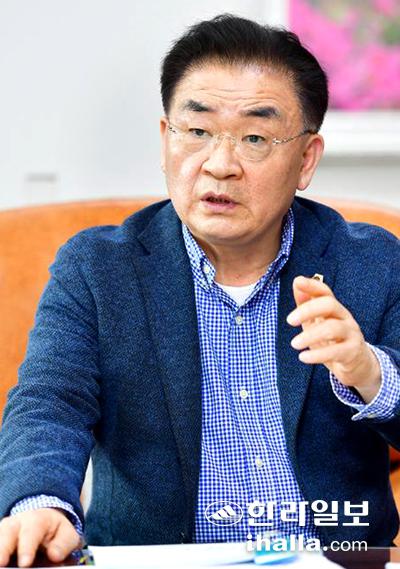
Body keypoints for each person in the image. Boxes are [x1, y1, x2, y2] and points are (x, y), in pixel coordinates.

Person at [0, 13, 399, 568]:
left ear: (306, 159)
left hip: (337, 558)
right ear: (166, 138)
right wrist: (39, 503)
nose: (219, 164)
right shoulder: (97, 268)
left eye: (255, 138)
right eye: (197, 131)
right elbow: (50, 404)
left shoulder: (373, 261)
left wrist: (370, 373)